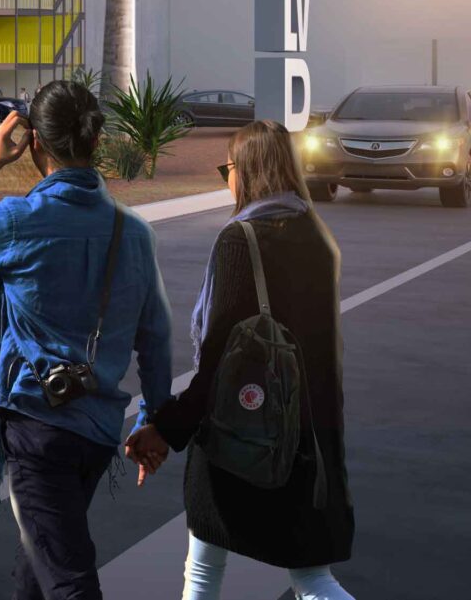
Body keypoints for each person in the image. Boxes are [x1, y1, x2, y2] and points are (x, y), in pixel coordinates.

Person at [0, 80, 172, 600]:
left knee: (67, 578)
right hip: (98, 430)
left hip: (38, 427)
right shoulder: (134, 233)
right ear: (95, 142)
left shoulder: (22, 220)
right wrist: (153, 420)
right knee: (39, 565)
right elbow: (156, 338)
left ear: (35, 142)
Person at [127, 122, 354, 600]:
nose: (225, 179)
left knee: (205, 571)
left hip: (244, 430)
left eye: (226, 169)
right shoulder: (315, 233)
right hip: (307, 436)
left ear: (247, 171)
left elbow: (216, 362)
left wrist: (167, 429)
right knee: (312, 577)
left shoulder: (242, 240)